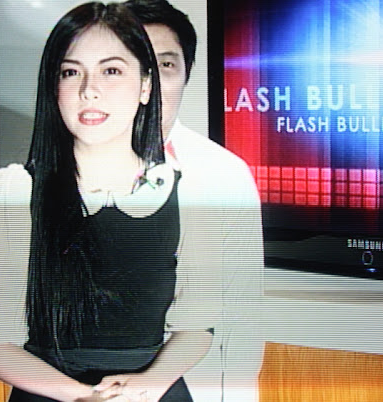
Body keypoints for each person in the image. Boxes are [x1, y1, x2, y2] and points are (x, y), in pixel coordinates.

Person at [0, 3, 220, 401]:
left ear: (145, 85)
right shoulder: (16, 192)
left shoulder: (189, 192)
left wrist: (150, 383)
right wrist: (82, 396)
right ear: (54, 87)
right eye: (71, 72)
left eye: (111, 71)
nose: (88, 90)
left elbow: (198, 327)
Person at [124, 1, 265, 401]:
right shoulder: (47, 177)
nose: (149, 83)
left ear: (186, 76)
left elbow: (240, 323)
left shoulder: (224, 176)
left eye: (166, 65)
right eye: (133, 63)